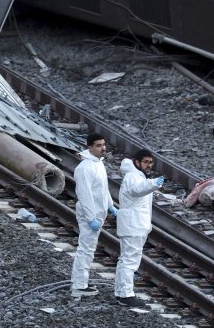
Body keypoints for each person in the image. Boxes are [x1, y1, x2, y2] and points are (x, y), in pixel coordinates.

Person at [115, 149, 165, 308]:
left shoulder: (138, 176)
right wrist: (154, 183)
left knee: (126, 259)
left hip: (134, 224)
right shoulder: (133, 176)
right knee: (130, 260)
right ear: (137, 162)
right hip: (133, 225)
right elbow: (137, 190)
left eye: (151, 162)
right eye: (146, 162)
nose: (149, 165)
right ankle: (126, 295)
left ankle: (120, 292)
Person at [71, 132, 117, 299]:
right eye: (98, 145)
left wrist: (111, 206)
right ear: (89, 147)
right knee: (86, 249)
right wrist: (91, 218)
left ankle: (81, 282)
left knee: (89, 248)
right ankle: (79, 285)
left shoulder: (98, 163)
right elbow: (85, 195)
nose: (103, 148)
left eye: (103, 145)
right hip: (90, 214)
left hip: (98, 212)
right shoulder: (84, 168)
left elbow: (102, 189)